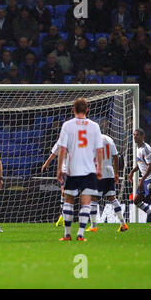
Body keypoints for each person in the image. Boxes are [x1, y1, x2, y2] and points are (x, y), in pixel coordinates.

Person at [56, 98, 104, 242]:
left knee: (68, 201)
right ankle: (81, 234)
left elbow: (62, 149)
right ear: (87, 110)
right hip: (89, 170)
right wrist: (99, 169)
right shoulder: (95, 126)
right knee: (86, 202)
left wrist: (59, 168)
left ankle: (67, 234)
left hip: (72, 170)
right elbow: (99, 150)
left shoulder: (67, 125)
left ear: (73, 109)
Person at [86, 134, 128, 232]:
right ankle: (123, 224)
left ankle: (93, 226)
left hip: (98, 171)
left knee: (93, 198)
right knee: (112, 198)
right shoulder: (109, 139)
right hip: (109, 171)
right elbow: (116, 156)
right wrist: (116, 173)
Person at [127, 129, 151, 226]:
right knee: (136, 201)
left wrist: (142, 180)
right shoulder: (138, 148)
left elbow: (150, 166)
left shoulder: (146, 148)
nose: (135, 137)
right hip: (145, 178)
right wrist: (132, 171)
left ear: (143, 136)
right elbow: (140, 164)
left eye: (137, 135)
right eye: (134, 135)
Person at [41, 139, 68, 228]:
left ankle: (63, 216)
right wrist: (46, 164)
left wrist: (46, 164)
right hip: (67, 170)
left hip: (76, 169)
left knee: (67, 193)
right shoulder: (62, 140)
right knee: (64, 192)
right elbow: (54, 153)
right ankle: (63, 216)